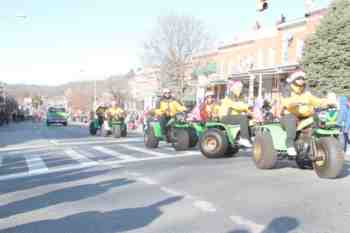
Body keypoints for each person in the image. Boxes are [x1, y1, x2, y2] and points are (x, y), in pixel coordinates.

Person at [280, 71, 335, 156]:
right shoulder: (287, 90)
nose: (301, 80)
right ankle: (289, 144)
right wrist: (294, 102)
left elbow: (316, 100)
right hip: (290, 115)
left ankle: (318, 141)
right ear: (294, 80)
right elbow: (286, 102)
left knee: (318, 117)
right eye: (299, 78)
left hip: (306, 115)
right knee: (291, 120)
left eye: (303, 78)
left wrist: (328, 102)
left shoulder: (307, 91)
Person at [214, 80, 252, 148]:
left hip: (232, 116)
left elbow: (241, 106)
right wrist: (247, 107)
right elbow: (237, 106)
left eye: (241, 88)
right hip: (225, 117)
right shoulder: (229, 97)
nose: (240, 89)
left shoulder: (238, 97)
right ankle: (244, 138)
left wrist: (250, 112)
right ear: (235, 88)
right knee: (243, 118)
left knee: (250, 119)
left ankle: (249, 137)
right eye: (239, 88)